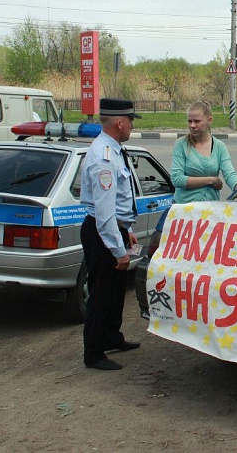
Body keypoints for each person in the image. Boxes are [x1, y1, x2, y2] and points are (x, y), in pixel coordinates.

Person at [80, 98, 142, 371]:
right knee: (101, 293)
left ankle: (111, 337)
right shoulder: (103, 157)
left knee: (115, 292)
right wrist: (118, 251)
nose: (131, 126)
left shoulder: (113, 150)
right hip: (101, 232)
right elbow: (104, 215)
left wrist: (126, 231)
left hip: (114, 229)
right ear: (119, 123)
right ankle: (94, 353)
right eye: (130, 121)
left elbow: (116, 205)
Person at [171, 101, 237, 203]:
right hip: (185, 211)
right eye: (189, 121)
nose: (192, 125)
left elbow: (229, 173)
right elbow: (177, 179)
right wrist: (211, 180)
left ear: (209, 120)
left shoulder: (219, 147)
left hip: (209, 210)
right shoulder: (181, 144)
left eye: (197, 121)